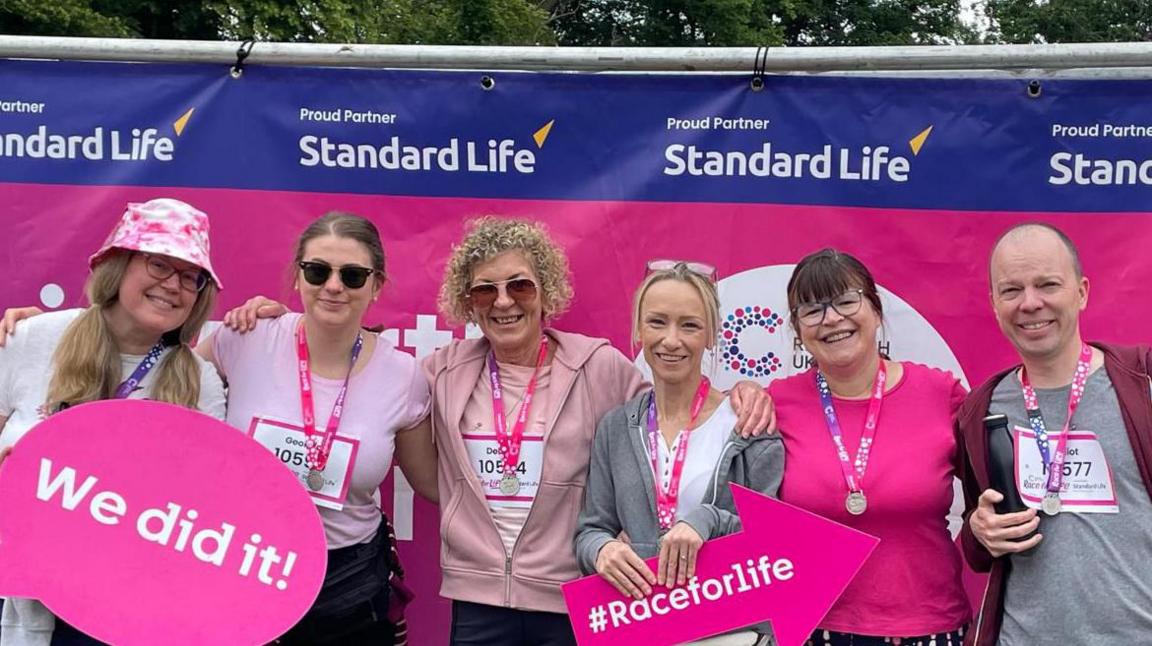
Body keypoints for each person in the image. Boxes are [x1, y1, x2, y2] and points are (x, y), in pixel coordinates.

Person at [194, 212, 436, 645]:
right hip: (245, 567)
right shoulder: (247, 338)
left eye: (353, 275)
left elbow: (433, 483)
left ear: (376, 285)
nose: (334, 286)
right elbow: (164, 386)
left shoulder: (404, 376)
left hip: (350, 588)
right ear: (299, 276)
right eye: (318, 270)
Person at [0, 198, 227, 646]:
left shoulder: (199, 382)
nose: (173, 285)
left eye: (189, 276)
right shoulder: (32, 338)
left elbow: (208, 509)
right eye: (159, 264)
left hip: (130, 614)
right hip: (27, 602)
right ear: (119, 264)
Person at [956, 223, 1152, 646]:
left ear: (1081, 292)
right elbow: (976, 545)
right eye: (1011, 291)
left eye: (1048, 284)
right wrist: (980, 530)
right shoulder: (981, 410)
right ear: (994, 303)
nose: (1030, 303)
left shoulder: (1143, 384)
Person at [767, 249, 970, 646]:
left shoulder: (940, 394)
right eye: (811, 310)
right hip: (816, 630)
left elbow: (997, 492)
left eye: (846, 300)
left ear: (876, 310)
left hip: (930, 627)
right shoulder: (774, 403)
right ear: (798, 329)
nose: (831, 319)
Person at [575, 261, 783, 646]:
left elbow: (775, 545)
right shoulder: (616, 427)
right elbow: (590, 529)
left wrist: (706, 521)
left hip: (731, 632)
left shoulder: (750, 425)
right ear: (638, 330)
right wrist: (600, 550)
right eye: (657, 322)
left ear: (710, 335)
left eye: (689, 325)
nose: (671, 340)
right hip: (640, 627)